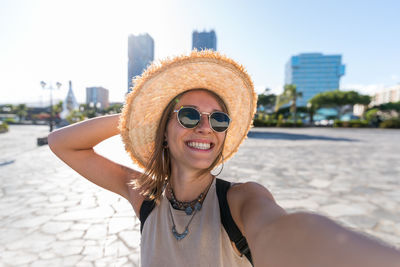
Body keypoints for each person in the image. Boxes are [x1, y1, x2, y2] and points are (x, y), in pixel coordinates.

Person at [48, 50, 400, 267]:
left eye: (218, 119)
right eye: (188, 116)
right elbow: (62, 143)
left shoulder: (241, 200)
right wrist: (139, 115)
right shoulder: (145, 195)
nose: (205, 127)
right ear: (165, 132)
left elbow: (286, 231)